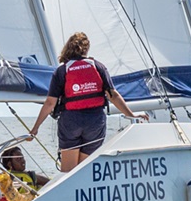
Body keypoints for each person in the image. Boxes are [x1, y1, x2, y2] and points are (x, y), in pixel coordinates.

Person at [30, 31, 145, 171]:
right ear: (87, 49)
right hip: (94, 122)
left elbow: (50, 103)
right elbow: (113, 95)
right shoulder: (98, 66)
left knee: (69, 172)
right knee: (84, 169)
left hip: (71, 122)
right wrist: (132, 115)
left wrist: (35, 128)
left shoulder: (62, 71)